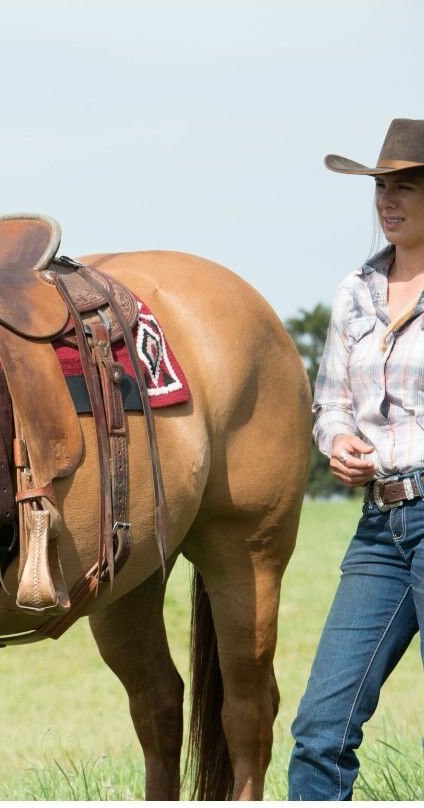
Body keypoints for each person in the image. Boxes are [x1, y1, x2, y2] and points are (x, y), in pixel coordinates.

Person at [288, 118, 424, 799]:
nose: (387, 201)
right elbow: (331, 402)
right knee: (321, 729)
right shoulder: (355, 291)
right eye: (380, 188)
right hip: (381, 529)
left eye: (404, 187)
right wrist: (336, 441)